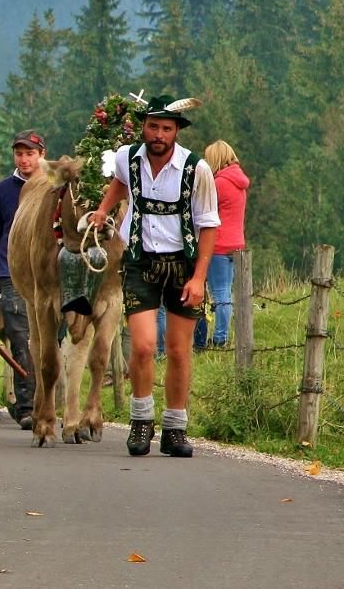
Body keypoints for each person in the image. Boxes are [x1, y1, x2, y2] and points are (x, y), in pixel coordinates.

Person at [86, 94, 219, 458]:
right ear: (143, 127)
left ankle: (175, 428)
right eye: (153, 127)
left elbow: (208, 225)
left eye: (166, 128)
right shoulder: (127, 158)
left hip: (183, 265)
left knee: (178, 351)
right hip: (140, 262)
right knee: (143, 346)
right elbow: (119, 182)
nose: (159, 134)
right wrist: (102, 210)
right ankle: (141, 421)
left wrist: (199, 278)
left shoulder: (196, 169)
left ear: (176, 131)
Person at [0, 129, 45, 430]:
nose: (24, 159)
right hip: (12, 276)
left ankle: (47, 402)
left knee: (49, 341)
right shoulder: (2, 191)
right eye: (19, 153)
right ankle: (27, 407)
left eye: (30, 153)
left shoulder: (55, 188)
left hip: (48, 279)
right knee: (21, 341)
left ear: (42, 155)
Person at [197, 140, 250, 348]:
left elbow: (202, 210)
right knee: (226, 291)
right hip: (236, 243)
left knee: (219, 293)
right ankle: (224, 335)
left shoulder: (218, 184)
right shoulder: (239, 182)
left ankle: (220, 337)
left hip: (217, 244)